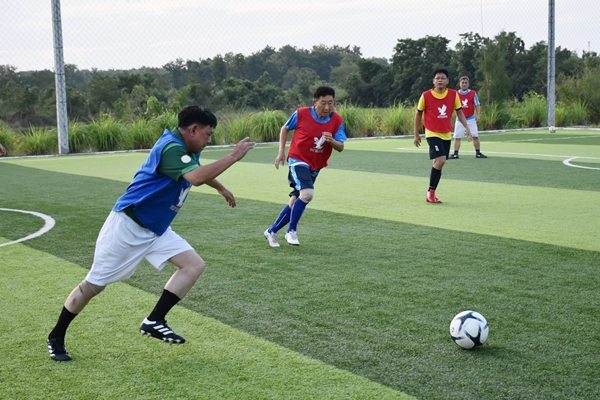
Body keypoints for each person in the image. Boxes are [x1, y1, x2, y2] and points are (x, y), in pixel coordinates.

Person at [46, 106, 255, 361]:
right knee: (94, 285)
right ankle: (56, 335)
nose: (209, 140)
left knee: (193, 265)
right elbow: (195, 177)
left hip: (156, 229)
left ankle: (155, 320)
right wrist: (233, 156)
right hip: (127, 227)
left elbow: (195, 169)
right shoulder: (171, 148)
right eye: (208, 134)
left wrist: (220, 188)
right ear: (193, 130)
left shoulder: (187, 148)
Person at [263, 86, 346, 247]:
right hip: (298, 160)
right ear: (315, 102)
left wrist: (331, 141)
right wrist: (281, 152)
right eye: (323, 103)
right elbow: (285, 128)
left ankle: (271, 231)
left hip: (316, 165)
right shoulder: (301, 114)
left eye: (330, 103)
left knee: (296, 201)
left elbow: (341, 146)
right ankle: (291, 231)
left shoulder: (337, 121)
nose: (327, 107)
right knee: (307, 194)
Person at [414, 68, 472, 203]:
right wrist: (416, 134)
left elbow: (459, 112)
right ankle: (430, 192)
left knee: (438, 163)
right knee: (441, 160)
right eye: (437, 78)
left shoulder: (453, 94)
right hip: (432, 132)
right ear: (433, 81)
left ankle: (431, 193)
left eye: (442, 78)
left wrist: (467, 128)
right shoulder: (425, 96)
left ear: (447, 81)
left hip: (446, 133)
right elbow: (418, 114)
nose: (440, 80)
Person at [449, 76, 487, 159]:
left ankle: (478, 153)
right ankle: (455, 154)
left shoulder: (473, 93)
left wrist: (478, 115)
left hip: (471, 119)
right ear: (459, 84)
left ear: (468, 84)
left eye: (466, 83)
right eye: (462, 83)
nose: (464, 84)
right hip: (459, 120)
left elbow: (477, 104)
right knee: (457, 137)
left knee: (475, 136)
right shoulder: (456, 94)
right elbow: (452, 106)